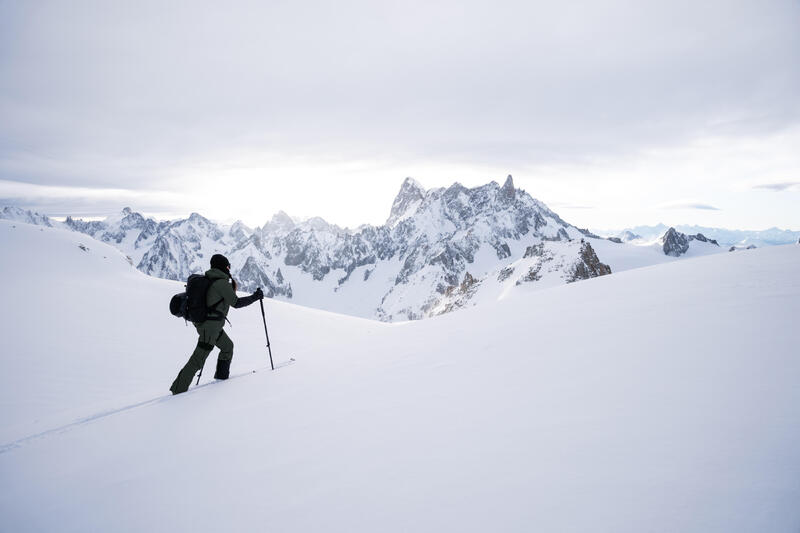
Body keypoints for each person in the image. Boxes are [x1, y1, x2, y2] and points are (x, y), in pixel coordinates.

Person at [170, 254, 263, 395]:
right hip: (210, 328)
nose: (229, 268)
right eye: (227, 266)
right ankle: (178, 389)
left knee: (227, 347)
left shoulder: (211, 279)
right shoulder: (221, 283)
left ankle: (221, 379)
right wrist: (255, 297)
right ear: (223, 266)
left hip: (210, 325)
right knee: (198, 359)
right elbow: (236, 303)